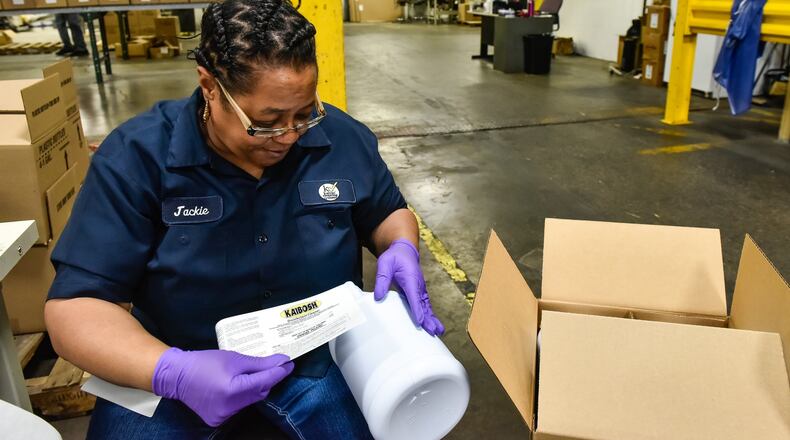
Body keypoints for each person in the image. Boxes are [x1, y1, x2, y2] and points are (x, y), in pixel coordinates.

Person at [44, 0, 445, 438]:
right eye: (266, 122)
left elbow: (387, 212)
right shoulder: (137, 157)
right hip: (181, 362)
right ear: (210, 86)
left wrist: (400, 244)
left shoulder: (342, 138)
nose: (288, 136)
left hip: (313, 359)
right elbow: (76, 309)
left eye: (304, 114)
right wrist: (173, 372)